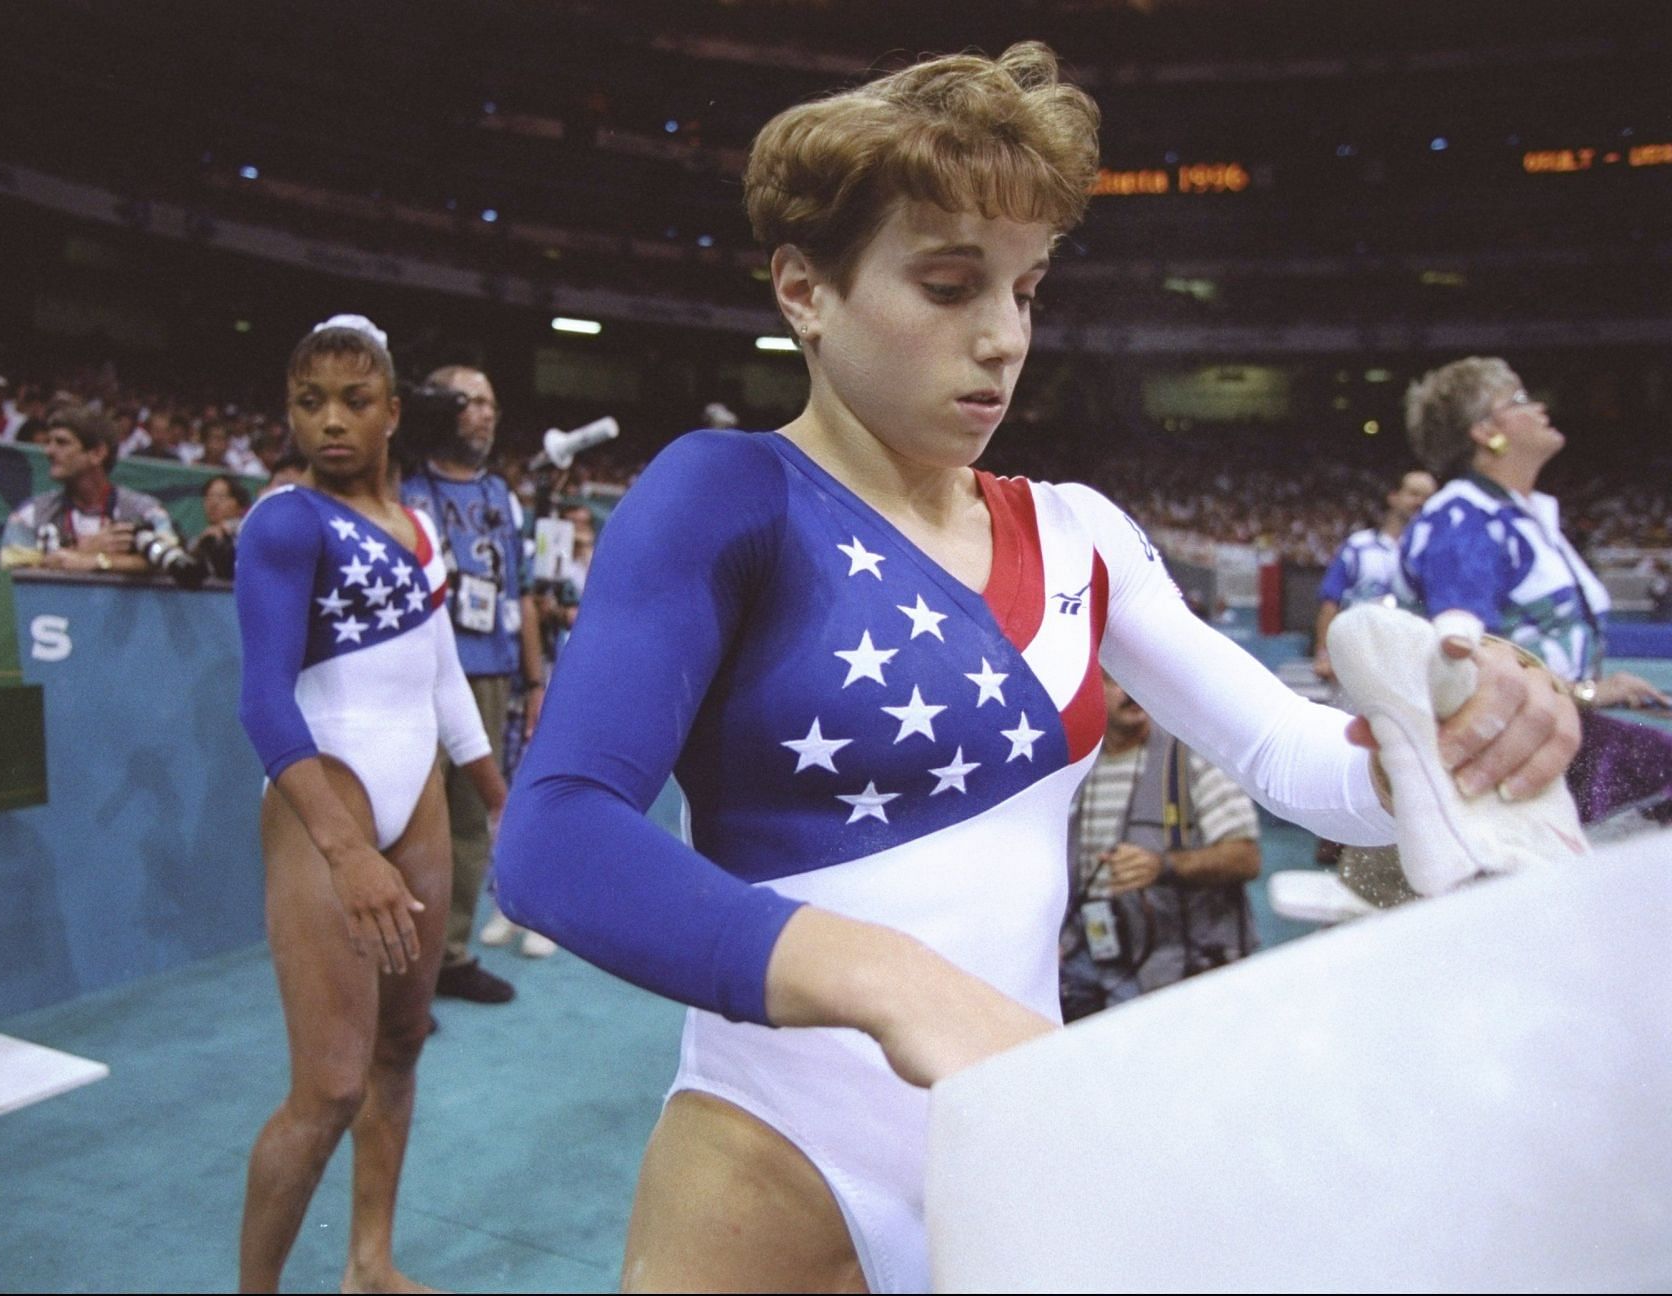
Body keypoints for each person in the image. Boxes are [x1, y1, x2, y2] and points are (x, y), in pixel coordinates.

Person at [492, 44, 1580, 1293]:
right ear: (804, 289)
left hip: (1017, 1139)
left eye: (1027, 290)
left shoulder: (1081, 532)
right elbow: (554, 840)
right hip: (780, 1152)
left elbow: (1289, 758)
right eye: (951, 285)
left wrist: (1452, 736)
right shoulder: (726, 496)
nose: (1004, 339)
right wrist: (895, 981)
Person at [232, 316, 505, 1293]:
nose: (331, 422)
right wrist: (346, 850)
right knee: (331, 1087)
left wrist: (496, 796)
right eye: (310, 403)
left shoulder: (420, 526)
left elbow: (441, 683)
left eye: (354, 401)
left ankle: (369, 1263)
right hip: (326, 796)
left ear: (393, 412)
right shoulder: (284, 521)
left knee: (398, 1050)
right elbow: (263, 700)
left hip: (416, 794)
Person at [1400, 357, 1672, 826]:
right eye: (1520, 400)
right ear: (1486, 432)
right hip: (1518, 752)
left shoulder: (1519, 516)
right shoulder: (1465, 519)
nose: (1540, 407)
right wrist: (1587, 692)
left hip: (1551, 735)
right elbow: (1466, 666)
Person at [401, 364, 547, 1004]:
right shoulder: (402, 485)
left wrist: (535, 679)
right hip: (417, 673)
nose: (487, 414)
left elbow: (522, 595)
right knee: (408, 819)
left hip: (488, 672)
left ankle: (450, 956)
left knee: (469, 819)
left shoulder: (500, 497)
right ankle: (399, 970)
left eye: (492, 402)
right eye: (470, 402)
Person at [1058, 671, 1261, 1020]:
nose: (1130, 690)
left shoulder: (1193, 758)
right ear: (1091, 690)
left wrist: (1164, 866)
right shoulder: (1077, 768)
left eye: (1134, 678)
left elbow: (1246, 857)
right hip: (1087, 955)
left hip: (1173, 968)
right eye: (1113, 679)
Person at [0, 405, 180, 574]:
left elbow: (174, 563)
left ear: (97, 453)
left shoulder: (145, 511)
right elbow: (12, 581)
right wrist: (84, 551)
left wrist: (98, 560)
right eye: (49, 441)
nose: (48, 451)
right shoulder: (30, 515)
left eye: (62, 442)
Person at [1312, 468, 1438, 682]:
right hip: (1359, 660)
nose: (1420, 502)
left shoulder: (1436, 553)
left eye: (1428, 497)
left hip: (1415, 665)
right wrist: (1324, 654)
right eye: (1414, 494)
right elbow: (1330, 602)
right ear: (1394, 497)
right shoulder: (1359, 546)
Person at [190, 472, 250, 581]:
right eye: (208, 497)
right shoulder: (202, 539)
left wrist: (228, 529)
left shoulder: (250, 532)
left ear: (240, 505)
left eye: (221, 497)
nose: (213, 503)